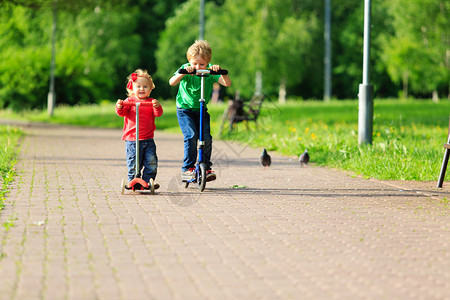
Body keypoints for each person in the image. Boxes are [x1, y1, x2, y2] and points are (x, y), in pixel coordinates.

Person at [169, 40, 231, 182]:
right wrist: (183, 73)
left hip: (201, 110)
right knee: (191, 136)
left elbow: (227, 83)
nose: (198, 67)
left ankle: (206, 166)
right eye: (194, 64)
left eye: (201, 64)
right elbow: (172, 82)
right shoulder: (185, 68)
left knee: (206, 138)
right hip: (185, 110)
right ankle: (188, 169)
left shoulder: (210, 71)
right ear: (189, 61)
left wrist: (220, 71)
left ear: (208, 62)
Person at [116, 69, 163, 188]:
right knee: (133, 162)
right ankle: (133, 180)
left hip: (148, 139)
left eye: (145, 86)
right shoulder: (129, 101)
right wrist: (119, 106)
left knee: (151, 162)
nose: (142, 89)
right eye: (138, 86)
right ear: (132, 88)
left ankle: (147, 181)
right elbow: (121, 113)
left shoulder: (151, 102)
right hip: (132, 140)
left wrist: (157, 106)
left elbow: (158, 113)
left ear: (150, 89)